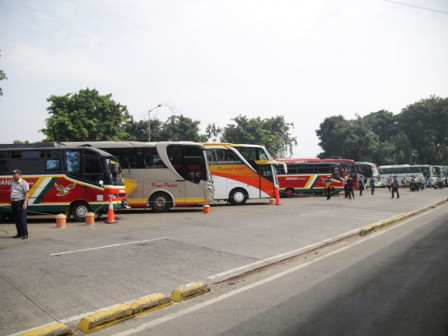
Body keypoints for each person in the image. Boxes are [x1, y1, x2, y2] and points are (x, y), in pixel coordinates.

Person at [10, 169, 30, 239]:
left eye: (15, 174)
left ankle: (25, 234)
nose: (13, 175)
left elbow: (27, 193)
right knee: (16, 219)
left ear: (19, 175)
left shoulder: (24, 183)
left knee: (22, 219)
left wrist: (25, 203)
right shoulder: (12, 182)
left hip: (20, 202)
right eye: (13, 174)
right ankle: (19, 233)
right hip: (13, 202)